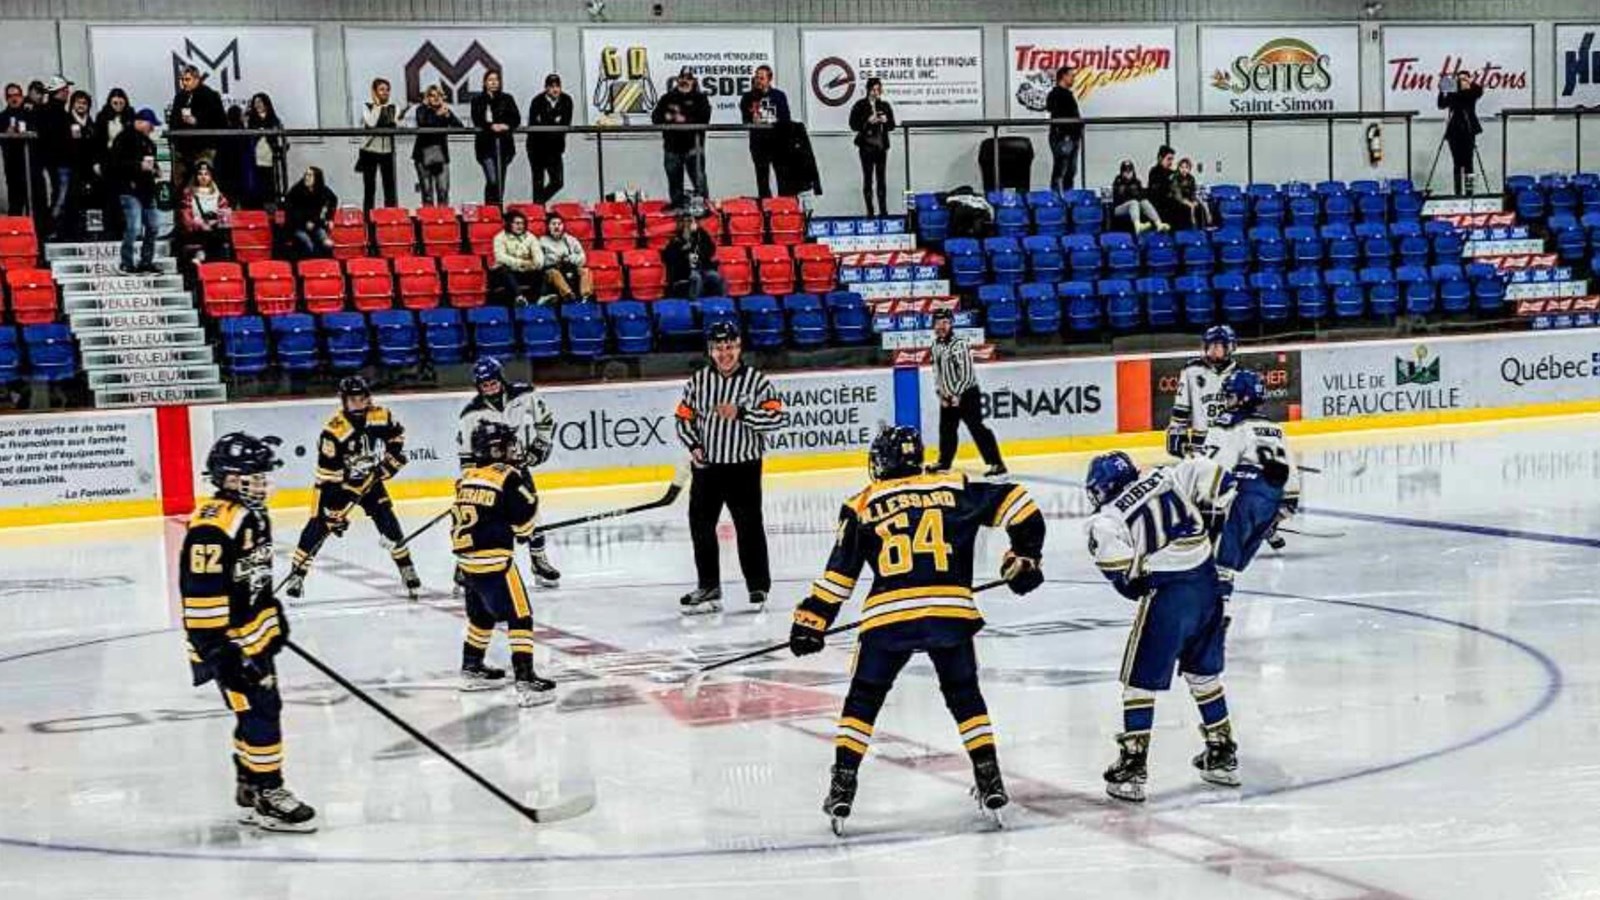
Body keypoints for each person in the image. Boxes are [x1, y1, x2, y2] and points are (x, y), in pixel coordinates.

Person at [789, 425, 1045, 834]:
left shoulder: (862, 503)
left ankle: (842, 787)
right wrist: (1026, 555)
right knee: (964, 695)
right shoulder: (953, 485)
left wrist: (812, 620)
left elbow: (840, 575)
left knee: (863, 699)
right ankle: (988, 775)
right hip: (950, 609)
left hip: (888, 616)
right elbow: (1018, 501)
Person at [1083, 450, 1239, 803]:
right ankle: (1223, 754)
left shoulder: (1105, 520)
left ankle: (1133, 767)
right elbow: (1219, 479)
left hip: (1169, 594)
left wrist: (1141, 580)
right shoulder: (1167, 475)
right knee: (1204, 675)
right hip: (1208, 582)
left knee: (1138, 682)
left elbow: (1124, 578)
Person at [180, 431, 317, 832]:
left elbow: (254, 583)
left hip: (250, 638)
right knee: (261, 709)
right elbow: (200, 601)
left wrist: (273, 619)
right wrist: (222, 657)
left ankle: (248, 782)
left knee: (256, 709)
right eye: (253, 475)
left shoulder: (254, 517)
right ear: (229, 478)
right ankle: (268, 792)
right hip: (226, 644)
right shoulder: (213, 527)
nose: (262, 482)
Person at [674, 322, 786, 613]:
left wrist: (743, 413)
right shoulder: (698, 382)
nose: (725, 354)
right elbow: (682, 419)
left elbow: (776, 420)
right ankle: (709, 585)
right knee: (701, 527)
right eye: (719, 348)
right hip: (707, 468)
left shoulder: (757, 382)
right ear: (710, 351)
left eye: (730, 347)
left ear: (739, 348)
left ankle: (758, 586)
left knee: (749, 527)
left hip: (744, 468)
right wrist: (694, 446)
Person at [283, 376, 421, 601]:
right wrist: (333, 512)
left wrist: (389, 464)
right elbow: (328, 477)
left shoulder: (381, 416)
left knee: (388, 522)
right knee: (318, 527)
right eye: (352, 399)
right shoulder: (334, 432)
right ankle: (297, 574)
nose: (358, 403)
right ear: (344, 401)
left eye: (362, 398)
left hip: (370, 481)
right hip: (336, 485)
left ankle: (407, 569)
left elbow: (397, 437)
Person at [452, 419, 558, 706]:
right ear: (495, 450)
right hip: (495, 561)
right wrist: (523, 528)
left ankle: (471, 668)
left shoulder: (466, 477)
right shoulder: (508, 476)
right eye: (508, 445)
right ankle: (525, 679)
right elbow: (524, 526)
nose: (514, 449)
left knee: (482, 617)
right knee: (520, 616)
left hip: (467, 563)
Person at [456, 358, 561, 588]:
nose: (490, 387)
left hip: (516, 466)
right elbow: (465, 454)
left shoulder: (524, 395)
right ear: (478, 386)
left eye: (493, 382)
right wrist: (469, 481)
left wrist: (540, 445)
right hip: (487, 473)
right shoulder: (470, 414)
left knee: (531, 508)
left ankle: (539, 560)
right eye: (485, 385)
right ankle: (465, 564)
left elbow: (545, 420)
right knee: (482, 518)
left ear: (501, 379)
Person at [1200, 368, 1301, 579]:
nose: (1227, 400)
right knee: (1232, 565)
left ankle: (1215, 608)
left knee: (1219, 562)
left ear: (1244, 398)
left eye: (1230, 396)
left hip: (1244, 495)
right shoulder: (1274, 427)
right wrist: (1284, 508)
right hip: (1272, 499)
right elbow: (1290, 474)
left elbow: (1217, 469)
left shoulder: (1229, 424)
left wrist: (1205, 501)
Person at [927, 307, 1006, 476]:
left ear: (951, 324)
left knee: (977, 428)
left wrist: (957, 394)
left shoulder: (959, 344)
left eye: (946, 322)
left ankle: (996, 464)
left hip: (967, 394)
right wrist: (940, 393)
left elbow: (966, 374)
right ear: (933, 325)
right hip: (948, 396)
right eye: (938, 322)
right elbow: (937, 372)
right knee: (946, 429)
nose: (942, 326)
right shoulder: (935, 345)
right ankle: (944, 462)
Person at [1167, 324, 1238, 458]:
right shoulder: (1192, 370)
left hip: (1229, 444)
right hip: (1200, 445)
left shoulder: (1240, 375)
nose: (1212, 350)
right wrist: (1176, 432)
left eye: (1217, 346)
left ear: (1229, 348)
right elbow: (1181, 408)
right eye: (1210, 346)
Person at [109, 107, 163, 275]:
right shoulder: (123, 139)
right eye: (150, 124)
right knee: (134, 227)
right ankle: (126, 263)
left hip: (147, 190)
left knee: (153, 226)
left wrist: (155, 169)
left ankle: (146, 262)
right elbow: (115, 165)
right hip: (129, 189)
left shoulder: (149, 144)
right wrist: (137, 166)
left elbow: (151, 164)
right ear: (140, 122)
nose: (153, 128)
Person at [653, 68, 711, 212]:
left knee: (699, 181)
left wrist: (680, 119)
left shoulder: (700, 98)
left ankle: (703, 206)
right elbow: (656, 118)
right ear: (677, 79)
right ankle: (677, 206)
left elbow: (704, 118)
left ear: (693, 81)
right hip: (672, 147)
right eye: (682, 77)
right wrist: (676, 119)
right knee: (674, 181)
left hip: (693, 147)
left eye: (688, 78)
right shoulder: (667, 98)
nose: (685, 80)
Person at [167, 64, 227, 191]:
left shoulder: (210, 95)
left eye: (187, 79)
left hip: (204, 148)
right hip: (182, 149)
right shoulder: (179, 97)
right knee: (179, 185)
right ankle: (180, 209)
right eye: (182, 79)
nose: (184, 83)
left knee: (201, 183)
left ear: (197, 79)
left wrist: (197, 121)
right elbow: (173, 120)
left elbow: (220, 121)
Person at [738, 65, 791, 199]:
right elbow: (745, 120)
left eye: (761, 78)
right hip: (759, 144)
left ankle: (784, 209)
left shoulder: (779, 96)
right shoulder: (748, 97)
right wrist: (752, 117)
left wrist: (768, 119)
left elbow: (785, 119)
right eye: (756, 78)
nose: (758, 81)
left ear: (769, 79)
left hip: (778, 143)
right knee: (762, 180)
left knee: (783, 178)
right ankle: (766, 210)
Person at [471, 70, 519, 206]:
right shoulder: (478, 100)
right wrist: (490, 126)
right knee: (492, 180)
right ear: (485, 83)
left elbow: (516, 118)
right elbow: (477, 119)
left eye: (496, 80)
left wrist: (505, 126)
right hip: (485, 146)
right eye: (490, 80)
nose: (493, 82)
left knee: (500, 182)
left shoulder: (507, 98)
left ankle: (496, 210)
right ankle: (490, 209)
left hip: (504, 146)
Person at [848, 78, 895, 217]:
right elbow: (853, 124)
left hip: (881, 146)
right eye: (874, 90)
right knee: (868, 179)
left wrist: (885, 121)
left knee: (882, 179)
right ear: (868, 90)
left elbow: (892, 125)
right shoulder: (860, 105)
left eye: (878, 90)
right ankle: (870, 211)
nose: (876, 92)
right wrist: (868, 121)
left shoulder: (885, 105)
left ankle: (883, 210)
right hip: (866, 146)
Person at [411, 85, 462, 207]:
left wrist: (448, 115)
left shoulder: (445, 110)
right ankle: (428, 222)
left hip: (441, 157)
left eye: (438, 95)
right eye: (432, 95)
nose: (435, 98)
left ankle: (443, 221)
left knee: (443, 191)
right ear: (427, 97)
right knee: (427, 192)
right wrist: (438, 115)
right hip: (422, 156)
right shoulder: (421, 109)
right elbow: (424, 123)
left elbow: (460, 127)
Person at [525, 73, 572, 205]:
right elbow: (535, 124)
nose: (555, 89)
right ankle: (538, 210)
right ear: (546, 88)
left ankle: (538, 203)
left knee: (558, 182)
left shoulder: (567, 100)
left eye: (558, 86)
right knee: (538, 181)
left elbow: (565, 123)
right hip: (536, 147)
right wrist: (554, 121)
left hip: (555, 148)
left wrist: (548, 121)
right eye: (551, 87)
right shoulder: (537, 101)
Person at [178, 160, 234, 266]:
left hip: (214, 229)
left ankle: (206, 257)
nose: (203, 177)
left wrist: (217, 221)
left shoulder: (219, 195)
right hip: (196, 231)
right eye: (200, 174)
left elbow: (225, 214)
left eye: (206, 174)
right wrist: (199, 224)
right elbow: (186, 218)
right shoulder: (188, 194)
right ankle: (200, 255)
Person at [36, 76, 73, 236]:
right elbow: (53, 139)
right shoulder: (52, 112)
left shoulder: (58, 112)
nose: (67, 93)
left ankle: (55, 229)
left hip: (59, 162)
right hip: (58, 162)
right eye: (64, 90)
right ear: (57, 92)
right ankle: (49, 230)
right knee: (60, 196)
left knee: (60, 196)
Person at [358, 78, 402, 211]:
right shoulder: (367, 106)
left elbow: (397, 124)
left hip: (387, 151)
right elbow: (371, 123)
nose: (385, 93)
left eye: (387, 90)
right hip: (369, 151)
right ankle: (368, 220)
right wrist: (377, 106)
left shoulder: (394, 108)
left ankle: (390, 218)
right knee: (369, 188)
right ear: (375, 91)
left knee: (390, 187)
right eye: (382, 89)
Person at [1438, 70, 1484, 195]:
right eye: (1459, 79)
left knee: (1469, 163)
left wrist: (1468, 84)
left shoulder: (1473, 91)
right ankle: (1457, 192)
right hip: (1454, 130)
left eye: (1464, 79)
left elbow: (1478, 91)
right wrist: (1443, 90)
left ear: (1469, 79)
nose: (1461, 81)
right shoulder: (1454, 92)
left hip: (1469, 129)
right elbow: (1441, 105)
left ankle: (1470, 191)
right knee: (1457, 163)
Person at [0, 83, 40, 216]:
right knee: (15, 202)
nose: (14, 98)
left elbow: (37, 132)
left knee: (34, 201)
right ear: (6, 98)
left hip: (30, 165)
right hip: (13, 166)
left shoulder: (29, 114)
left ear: (22, 97)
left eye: (16, 95)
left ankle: (36, 231)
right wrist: (7, 133)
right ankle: (13, 232)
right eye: (10, 96)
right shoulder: (2, 117)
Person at [662, 212, 724, 299]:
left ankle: (720, 303)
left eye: (690, 221)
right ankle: (695, 304)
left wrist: (696, 248)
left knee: (716, 277)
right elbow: (668, 257)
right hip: (684, 272)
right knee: (696, 277)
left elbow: (710, 250)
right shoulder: (675, 240)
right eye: (685, 221)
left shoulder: (702, 235)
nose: (687, 224)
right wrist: (683, 248)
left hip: (703, 268)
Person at [61, 90, 96, 237]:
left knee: (88, 199)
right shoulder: (66, 120)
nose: (81, 106)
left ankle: (88, 231)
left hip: (88, 167)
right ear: (72, 104)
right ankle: (68, 232)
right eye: (78, 103)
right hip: (71, 166)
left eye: (84, 103)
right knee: (69, 199)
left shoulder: (91, 123)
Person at [492, 209, 545, 305]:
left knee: (544, 270)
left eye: (522, 223)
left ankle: (540, 298)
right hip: (508, 273)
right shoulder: (499, 237)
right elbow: (500, 257)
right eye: (517, 223)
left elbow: (539, 256)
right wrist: (520, 263)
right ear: (509, 224)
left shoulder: (530, 237)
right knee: (503, 269)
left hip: (526, 271)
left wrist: (535, 264)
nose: (520, 226)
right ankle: (519, 297)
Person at [244, 93, 287, 210]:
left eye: (260, 102)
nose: (258, 105)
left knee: (270, 184)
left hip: (269, 156)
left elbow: (279, 136)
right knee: (256, 184)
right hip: (255, 156)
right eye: (255, 102)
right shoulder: (251, 119)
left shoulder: (273, 119)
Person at [537, 211, 593, 302]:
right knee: (554, 272)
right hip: (551, 271)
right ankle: (569, 295)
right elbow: (539, 261)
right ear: (548, 226)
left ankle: (585, 297)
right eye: (553, 224)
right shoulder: (542, 241)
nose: (556, 226)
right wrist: (554, 259)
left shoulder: (571, 240)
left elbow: (582, 258)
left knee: (585, 271)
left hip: (570, 267)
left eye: (559, 224)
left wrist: (570, 258)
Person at [284, 166, 337, 258]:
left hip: (316, 225)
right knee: (308, 244)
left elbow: (333, 200)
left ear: (316, 178)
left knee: (327, 243)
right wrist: (305, 222)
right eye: (305, 175)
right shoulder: (296, 191)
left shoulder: (322, 190)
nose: (306, 177)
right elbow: (292, 212)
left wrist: (330, 218)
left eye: (310, 175)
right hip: (298, 227)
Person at [1045, 65, 1083, 192]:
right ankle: (1057, 199)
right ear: (1064, 76)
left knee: (1071, 170)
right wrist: (1065, 133)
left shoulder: (1068, 94)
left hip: (1073, 137)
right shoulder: (1055, 94)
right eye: (1072, 76)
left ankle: (1068, 197)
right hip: (1062, 137)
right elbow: (1053, 110)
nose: (1074, 79)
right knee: (1061, 168)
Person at [1111, 159, 1166, 234]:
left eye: (1130, 171)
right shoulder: (1118, 182)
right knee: (1133, 202)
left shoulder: (1137, 182)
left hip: (1135, 206)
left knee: (1144, 202)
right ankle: (1137, 226)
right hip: (1119, 208)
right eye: (1125, 171)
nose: (1128, 173)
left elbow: (1142, 196)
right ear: (1122, 172)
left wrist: (1135, 194)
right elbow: (1118, 198)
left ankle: (1158, 223)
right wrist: (1129, 192)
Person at [1173, 157, 1212, 229]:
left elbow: (1193, 192)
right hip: (1179, 200)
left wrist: (1195, 200)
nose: (1184, 169)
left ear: (1189, 169)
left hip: (1190, 198)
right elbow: (1177, 195)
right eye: (1182, 167)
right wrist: (1189, 203)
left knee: (1204, 203)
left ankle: (1208, 220)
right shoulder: (1176, 178)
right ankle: (1193, 223)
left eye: (1186, 167)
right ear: (1178, 168)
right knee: (1192, 206)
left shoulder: (1191, 178)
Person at [1146, 145, 1180, 227]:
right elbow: (1157, 192)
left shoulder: (1172, 173)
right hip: (1159, 207)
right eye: (1168, 159)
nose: (1171, 162)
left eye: (1172, 159)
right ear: (1160, 158)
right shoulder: (1154, 172)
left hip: (1172, 205)